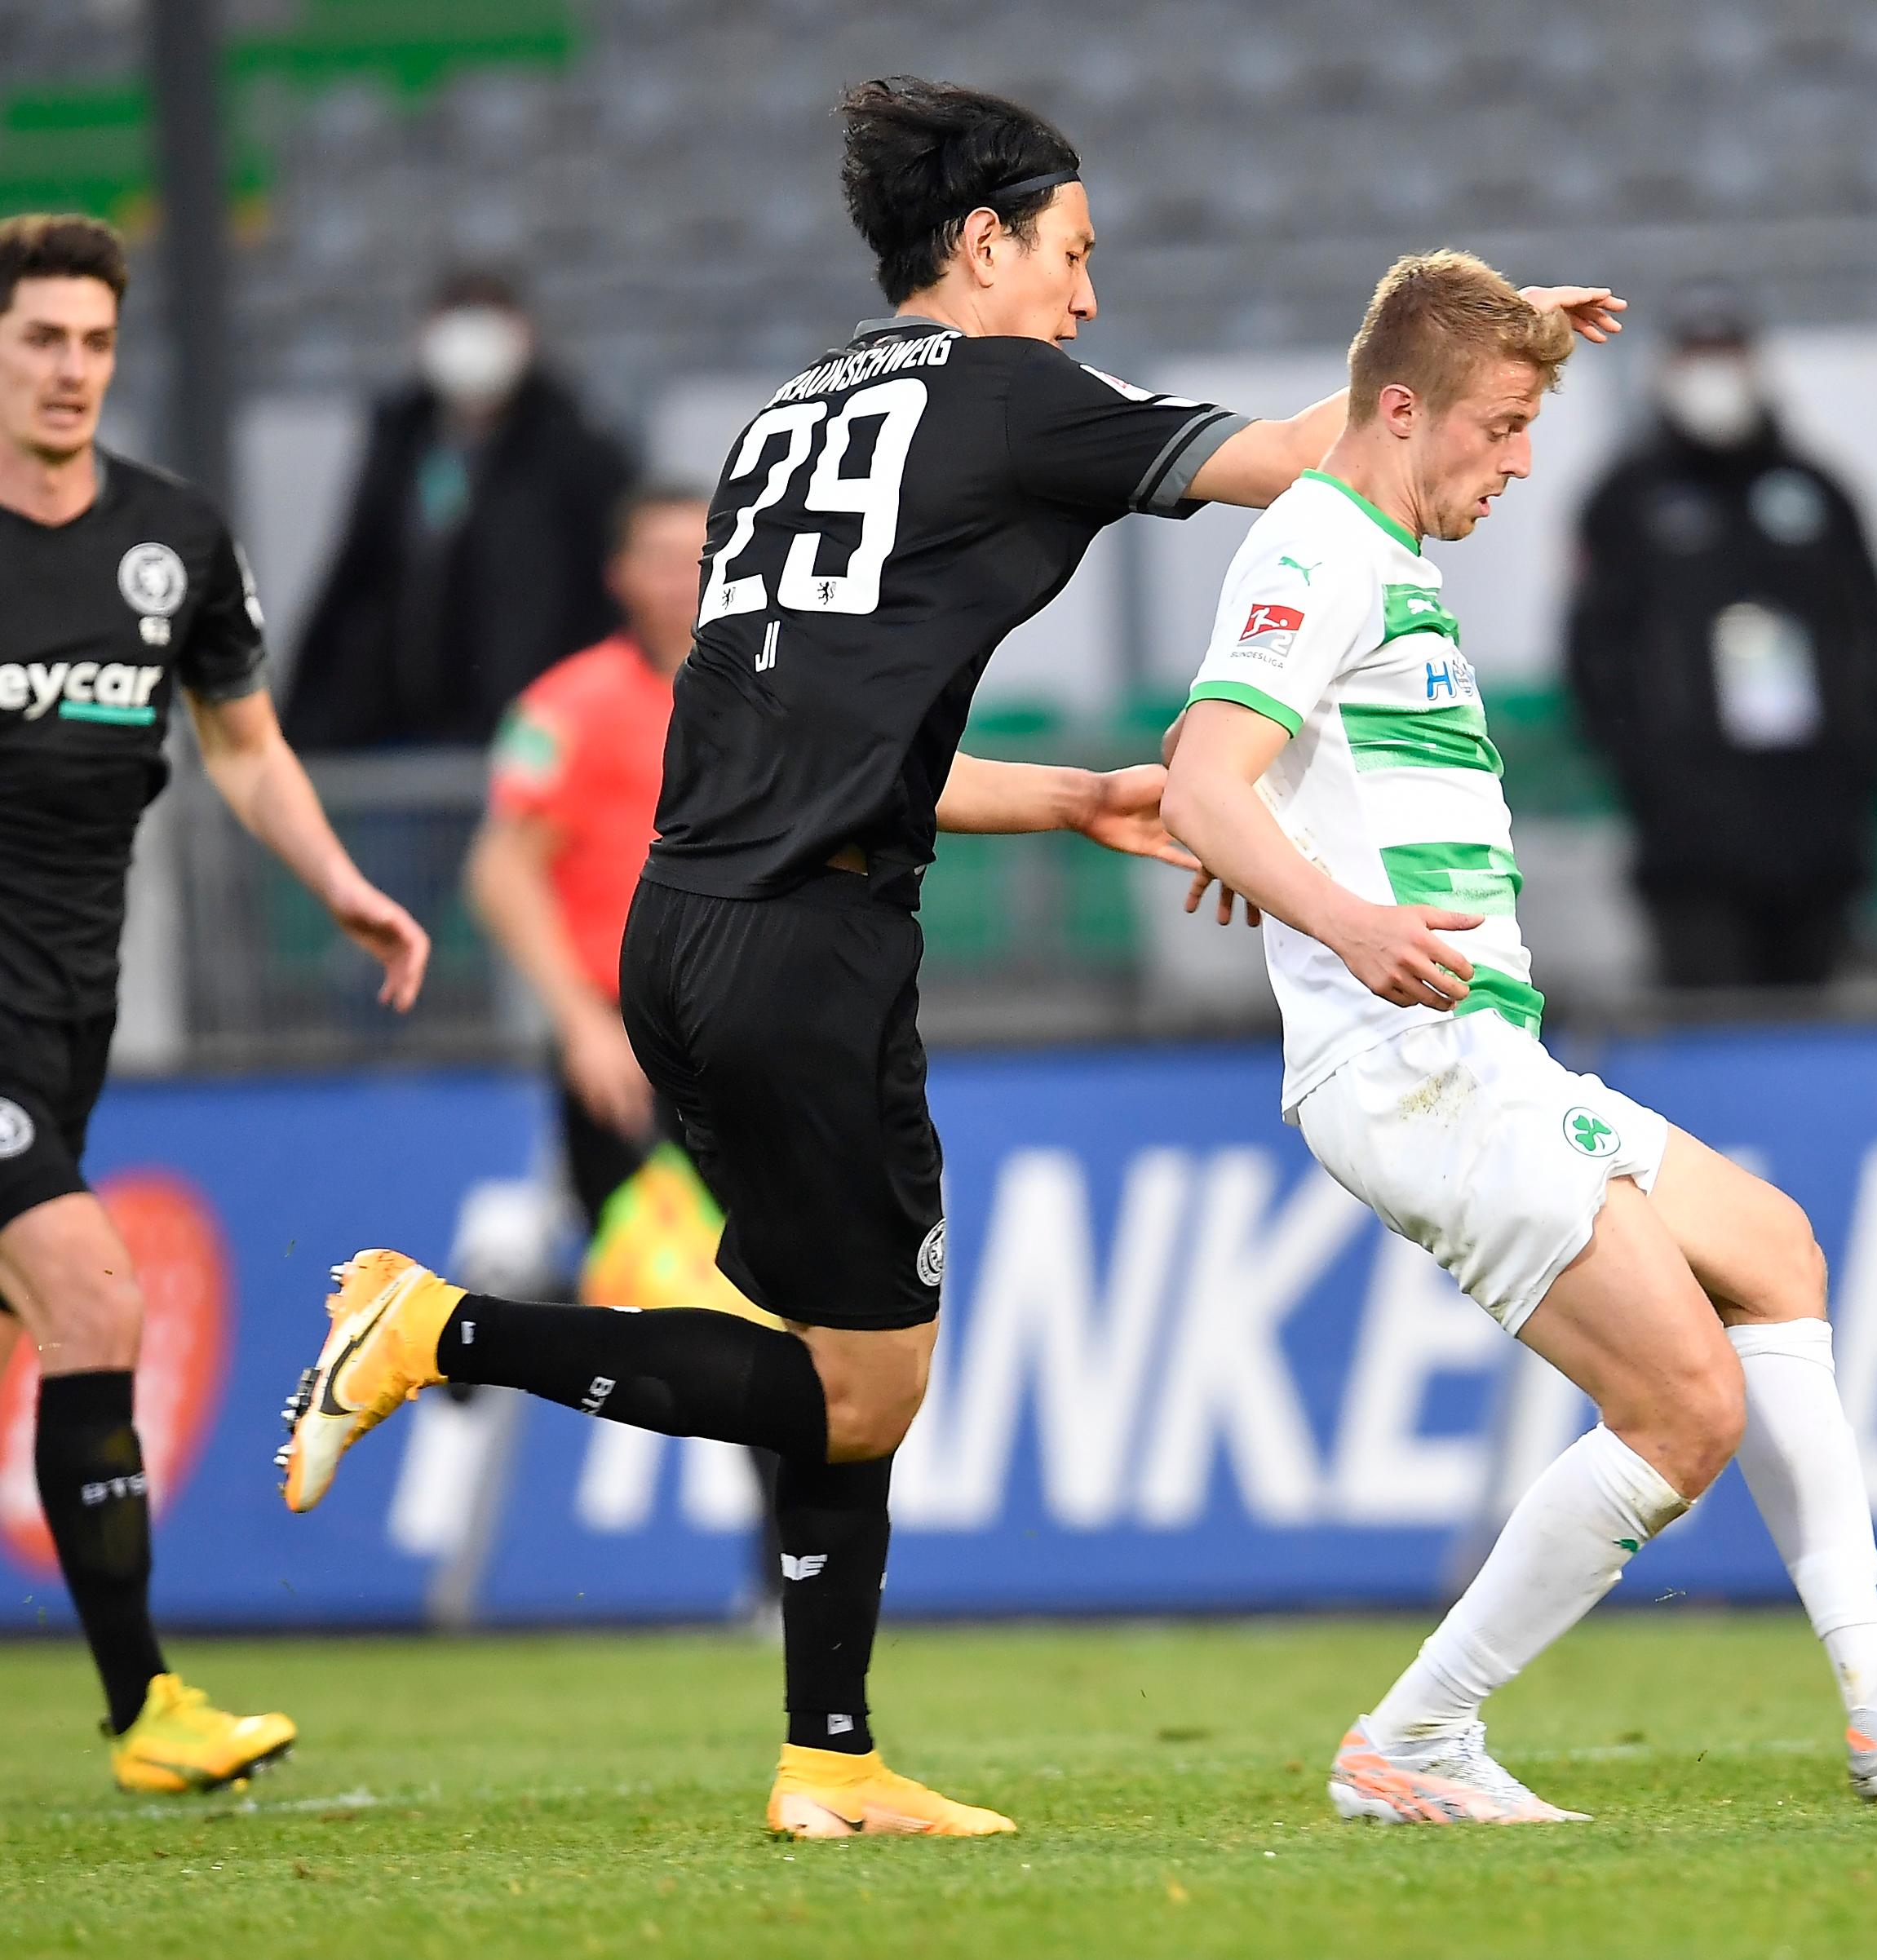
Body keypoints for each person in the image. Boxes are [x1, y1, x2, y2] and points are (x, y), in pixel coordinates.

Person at [276, 76, 1625, 1839]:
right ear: (980, 241)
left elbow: (836, 736)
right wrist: (1490, 343)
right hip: (807, 948)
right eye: (1070, 254)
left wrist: (1072, 795)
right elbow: (1313, 457)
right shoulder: (1007, 395)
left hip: (683, 926)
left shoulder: (784, 415)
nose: (1085, 299)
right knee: (868, 1379)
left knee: (838, 1350)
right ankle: (437, 1326)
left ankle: (828, 1756)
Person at [1160, 251, 1877, 1825]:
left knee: (1776, 1253)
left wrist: (1517, 328)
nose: (1521, 464)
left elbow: (1237, 766)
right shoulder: (1320, 547)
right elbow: (1204, 777)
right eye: (1504, 426)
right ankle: (1414, 1738)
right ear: (1403, 412)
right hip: (1417, 1062)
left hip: (1483, 1050)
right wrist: (1340, 914)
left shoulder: (1367, 523)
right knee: (1686, 1409)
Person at [0, 214, 432, 1791]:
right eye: (41, 337)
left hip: (62, 1020)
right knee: (93, 1298)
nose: (70, 370)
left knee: (65, 1308)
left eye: (94, 343)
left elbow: (243, 745)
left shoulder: (171, 540)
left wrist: (337, 880)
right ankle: (144, 1711)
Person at [1564, 299, 1877, 989]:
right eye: (1698, 359)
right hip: (1690, 839)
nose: (1715, 378)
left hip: (1816, 827)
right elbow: (1594, 653)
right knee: (1710, 1024)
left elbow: (1871, 638)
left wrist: (1857, 770)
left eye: (1729, 358)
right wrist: (1648, 773)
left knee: (1814, 1029)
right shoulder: (1627, 501)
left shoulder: (1817, 493)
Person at [465, 482, 712, 1234]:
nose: (682, 579)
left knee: (783, 1287)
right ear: (620, 575)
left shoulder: (773, 692)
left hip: (751, 1023)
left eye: (698, 557)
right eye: (661, 559)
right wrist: (582, 1024)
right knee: (648, 1285)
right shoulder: (568, 707)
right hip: (629, 1033)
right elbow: (501, 868)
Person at [286, 267, 634, 751]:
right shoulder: (400, 442)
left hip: (529, 732)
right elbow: (355, 576)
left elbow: (604, 597)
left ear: (524, 334)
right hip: (392, 730)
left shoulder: (577, 450)